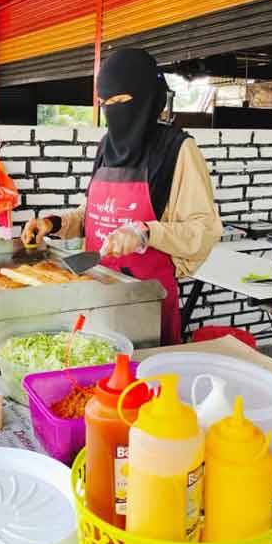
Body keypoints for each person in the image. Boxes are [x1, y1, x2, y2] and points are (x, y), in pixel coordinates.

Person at [22, 48, 222, 345]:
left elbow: (203, 231)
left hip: (146, 303)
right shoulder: (107, 145)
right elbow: (93, 213)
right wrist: (52, 223)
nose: (114, 111)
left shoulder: (177, 150)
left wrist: (145, 233)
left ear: (146, 97)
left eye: (123, 101)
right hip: (95, 294)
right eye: (107, 103)